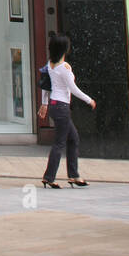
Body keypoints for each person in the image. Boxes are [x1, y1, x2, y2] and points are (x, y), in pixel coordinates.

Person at [40, 32, 96, 188]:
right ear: (64, 48)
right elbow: (73, 88)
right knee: (60, 142)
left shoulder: (49, 64)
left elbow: (45, 87)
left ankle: (74, 175)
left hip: (54, 105)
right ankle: (50, 177)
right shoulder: (64, 67)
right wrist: (89, 100)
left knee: (73, 139)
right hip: (62, 107)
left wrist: (44, 103)